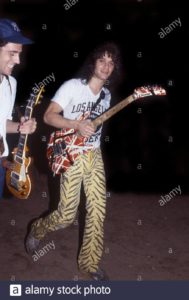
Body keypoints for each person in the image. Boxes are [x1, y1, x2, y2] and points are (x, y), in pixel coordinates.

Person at [25, 42, 121, 280]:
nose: (106, 66)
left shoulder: (107, 96)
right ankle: (38, 228)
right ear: (93, 63)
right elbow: (49, 116)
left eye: (111, 62)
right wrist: (76, 124)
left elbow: (95, 128)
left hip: (93, 154)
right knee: (67, 214)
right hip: (71, 153)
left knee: (98, 210)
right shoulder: (72, 87)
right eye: (102, 60)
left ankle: (90, 263)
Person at [0, 18, 37, 199]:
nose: (18, 60)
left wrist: (20, 127)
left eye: (20, 54)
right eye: (12, 53)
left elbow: (2, 124)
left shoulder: (10, 83)